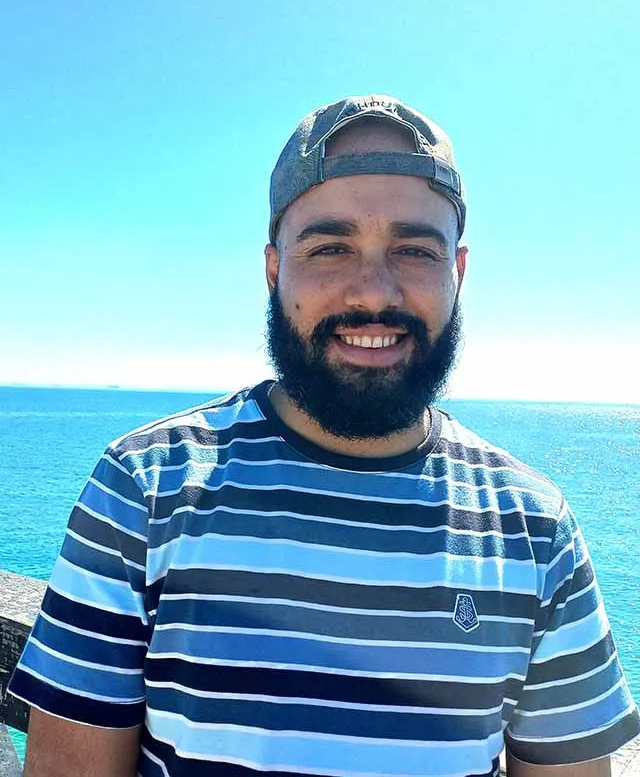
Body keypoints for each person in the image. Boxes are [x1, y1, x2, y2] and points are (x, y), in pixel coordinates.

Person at [9, 95, 639, 777]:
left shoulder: (535, 528)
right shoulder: (144, 488)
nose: (373, 291)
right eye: (330, 247)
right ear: (275, 269)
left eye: (414, 250)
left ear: (456, 273)